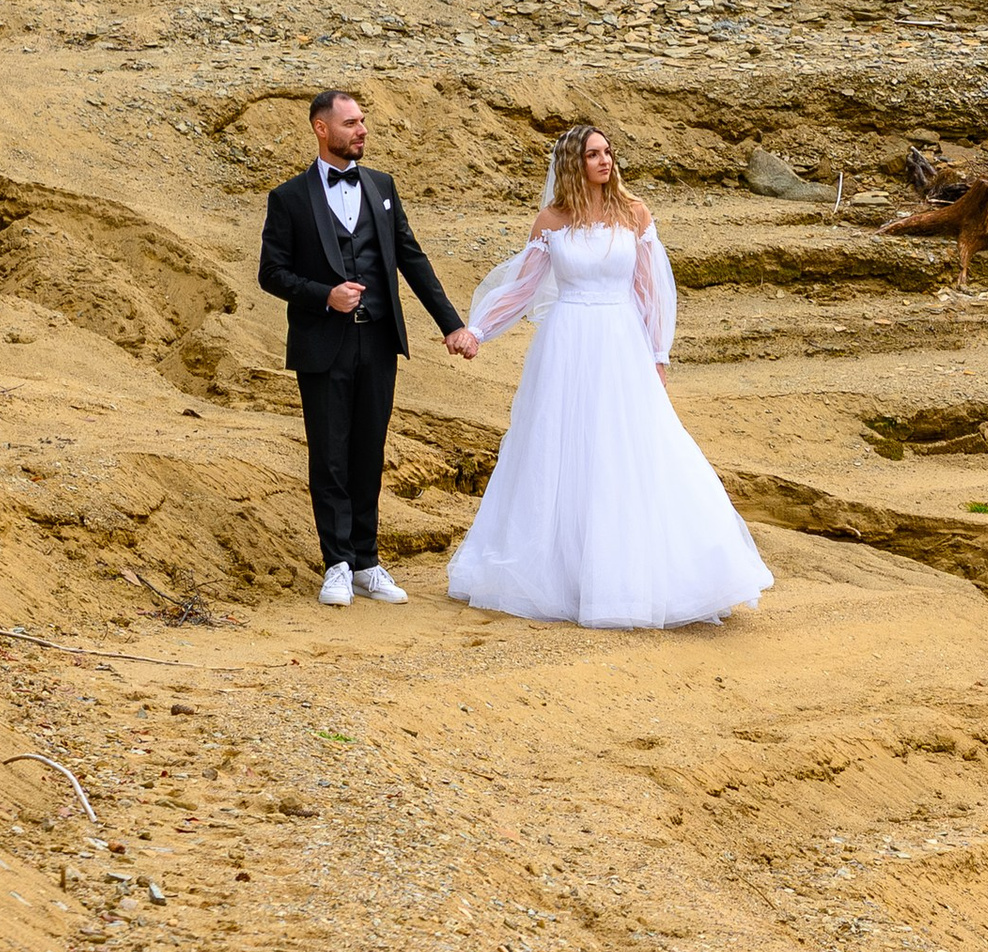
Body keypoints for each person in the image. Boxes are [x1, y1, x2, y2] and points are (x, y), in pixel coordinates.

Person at [448, 122, 770, 629]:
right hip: (567, 342)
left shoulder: (634, 214)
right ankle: (566, 576)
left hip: (621, 345)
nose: (606, 161)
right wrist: (478, 330)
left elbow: (651, 289)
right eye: (594, 154)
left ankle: (638, 575)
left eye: (608, 152)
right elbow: (523, 288)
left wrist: (658, 353)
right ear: (574, 163)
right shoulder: (550, 220)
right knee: (559, 449)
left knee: (630, 448)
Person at [257, 89, 478, 608]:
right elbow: (271, 273)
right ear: (321, 129)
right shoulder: (288, 198)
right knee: (329, 455)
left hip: (377, 338)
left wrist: (451, 325)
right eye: (351, 123)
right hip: (323, 342)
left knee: (368, 452)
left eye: (363, 122)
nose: (361, 131)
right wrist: (324, 295)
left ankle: (366, 562)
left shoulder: (381, 186)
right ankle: (336, 564)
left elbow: (410, 258)